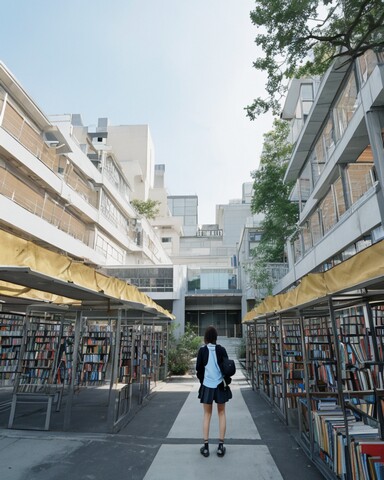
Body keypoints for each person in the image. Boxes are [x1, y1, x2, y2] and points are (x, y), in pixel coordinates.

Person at [196, 325, 232, 458]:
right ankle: (220, 446)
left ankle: (205, 447)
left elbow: (198, 369)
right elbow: (227, 368)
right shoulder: (221, 349)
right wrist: (225, 380)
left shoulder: (202, 351)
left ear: (205, 338)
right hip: (220, 386)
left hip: (207, 385)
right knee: (221, 413)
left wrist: (203, 381)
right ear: (216, 337)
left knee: (207, 415)